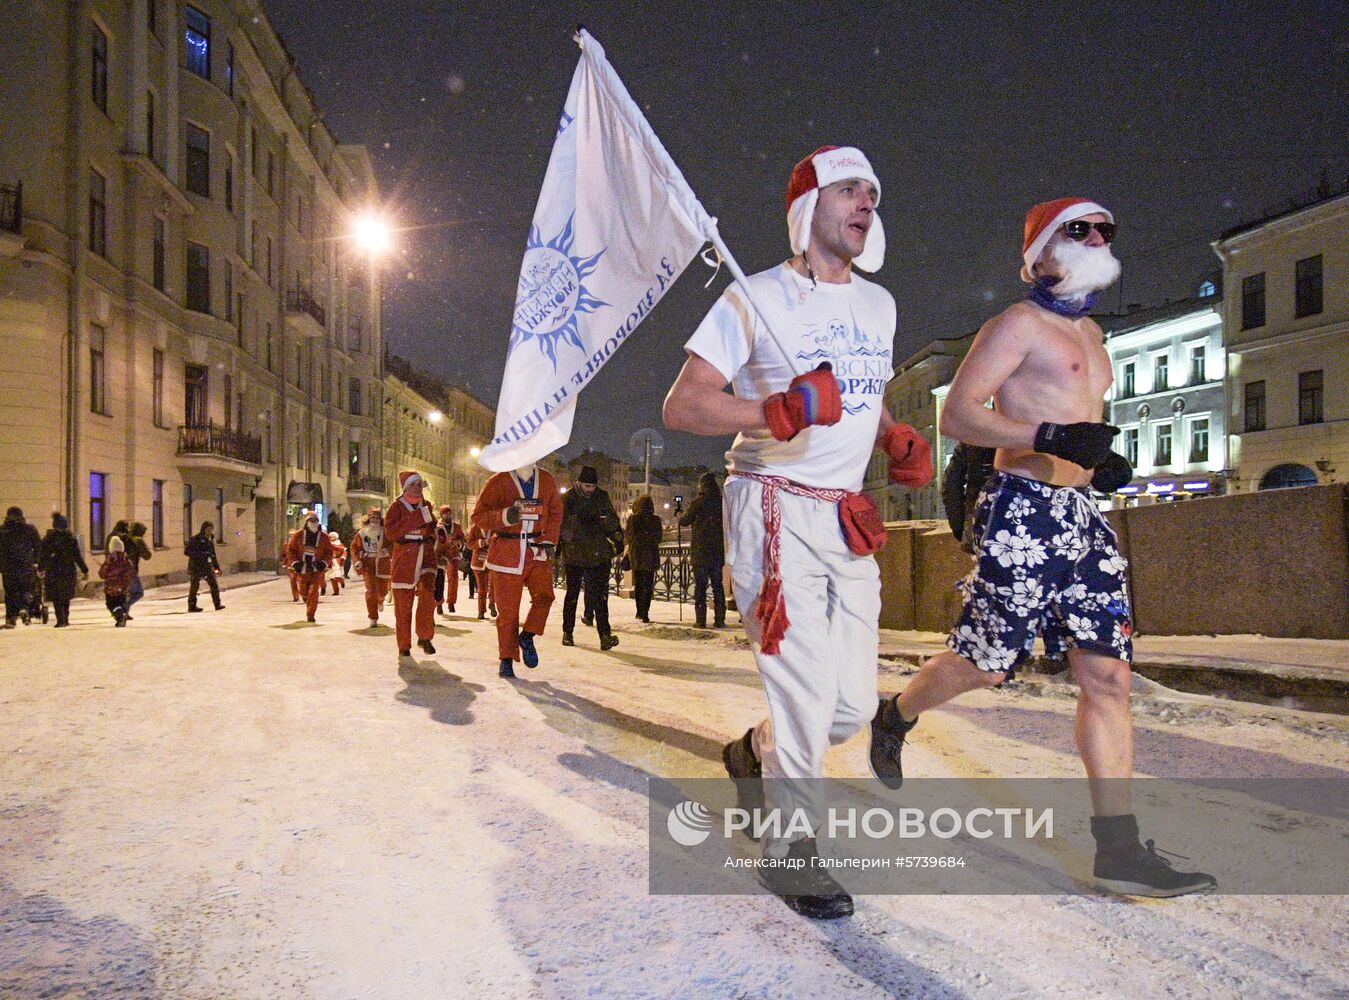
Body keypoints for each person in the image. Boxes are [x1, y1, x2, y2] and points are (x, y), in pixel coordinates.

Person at [869, 196, 1213, 898]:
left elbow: (1081, 417)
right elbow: (959, 414)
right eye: (1078, 229)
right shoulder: (1014, 325)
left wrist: (1097, 460)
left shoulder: (1092, 334)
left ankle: (1116, 845)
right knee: (987, 665)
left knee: (1109, 677)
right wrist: (1045, 439)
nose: (1095, 238)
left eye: (1103, 231)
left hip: (1080, 514)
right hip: (1021, 512)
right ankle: (894, 714)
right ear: (1040, 250)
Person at [663, 146, 932, 920]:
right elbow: (683, 406)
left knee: (848, 706)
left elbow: (862, 392)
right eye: (848, 189)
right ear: (807, 205)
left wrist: (892, 436)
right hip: (771, 506)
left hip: (845, 515)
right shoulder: (753, 299)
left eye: (872, 194)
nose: (865, 204)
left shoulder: (879, 307)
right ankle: (792, 851)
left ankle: (754, 753)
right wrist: (769, 412)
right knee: (805, 690)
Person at [472, 462, 562, 678]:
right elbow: (478, 516)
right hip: (507, 551)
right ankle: (506, 659)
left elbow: (557, 511)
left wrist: (550, 539)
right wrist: (505, 516)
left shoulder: (547, 479)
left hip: (536, 550)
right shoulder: (499, 480)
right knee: (508, 612)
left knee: (545, 597)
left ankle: (528, 635)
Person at [559, 466, 623, 650]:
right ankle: (568, 633)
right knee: (572, 594)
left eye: (592, 486)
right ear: (579, 483)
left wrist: (618, 539)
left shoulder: (601, 497)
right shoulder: (568, 498)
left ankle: (605, 636)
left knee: (600, 596)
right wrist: (559, 544)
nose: (589, 489)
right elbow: (560, 523)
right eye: (586, 486)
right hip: (574, 553)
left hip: (598, 552)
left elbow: (611, 520)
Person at [385, 470, 439, 659]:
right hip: (405, 558)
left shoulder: (427, 505)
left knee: (427, 596)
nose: (417, 489)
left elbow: (431, 527)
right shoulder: (395, 507)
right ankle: (404, 644)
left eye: (419, 485)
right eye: (413, 485)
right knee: (403, 605)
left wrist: (434, 533)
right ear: (405, 487)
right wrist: (415, 518)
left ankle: (425, 636)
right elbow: (391, 534)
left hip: (426, 555)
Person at [679, 472, 727, 628]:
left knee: (700, 586)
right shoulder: (722, 503)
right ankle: (720, 619)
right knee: (717, 586)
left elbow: (685, 521)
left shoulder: (697, 502)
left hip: (700, 551)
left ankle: (700, 620)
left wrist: (680, 515)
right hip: (717, 551)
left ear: (702, 486)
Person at [38, 512, 88, 627]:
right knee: (66, 596)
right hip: (68, 571)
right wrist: (84, 570)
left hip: (53, 571)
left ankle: (60, 619)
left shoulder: (48, 538)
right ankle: (65, 618)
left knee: (57, 597)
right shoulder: (70, 538)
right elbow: (77, 556)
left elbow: (43, 555)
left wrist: (41, 568)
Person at [284, 510, 333, 624]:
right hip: (303, 568)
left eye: (315, 520)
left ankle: (311, 614)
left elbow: (329, 552)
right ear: (306, 522)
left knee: (314, 591)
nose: (313, 522)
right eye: (311, 520)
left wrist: (324, 563)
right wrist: (295, 563)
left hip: (316, 568)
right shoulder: (299, 535)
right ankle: (306, 598)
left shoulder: (324, 537)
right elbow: (291, 550)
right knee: (303, 590)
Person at [351, 507, 392, 628]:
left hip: (383, 564)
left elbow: (394, 545)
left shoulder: (386, 532)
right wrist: (357, 561)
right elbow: (354, 548)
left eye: (377, 518)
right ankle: (373, 617)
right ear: (368, 519)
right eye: (372, 518)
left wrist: (387, 551)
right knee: (371, 591)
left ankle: (380, 600)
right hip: (368, 565)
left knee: (383, 591)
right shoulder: (362, 533)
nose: (375, 520)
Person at [0, 507, 41, 628]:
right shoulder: (29, 529)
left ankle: (11, 617)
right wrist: (36, 561)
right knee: (26, 589)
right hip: (25, 565)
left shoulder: (2, 530)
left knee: (10, 591)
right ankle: (25, 609)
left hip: (7, 566)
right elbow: (38, 546)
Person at [624, 495, 663, 623]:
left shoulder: (633, 519)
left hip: (637, 555)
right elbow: (659, 538)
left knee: (639, 584)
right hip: (651, 555)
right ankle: (645, 611)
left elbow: (628, 537)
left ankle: (639, 611)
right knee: (648, 585)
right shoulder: (656, 520)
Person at [433, 505, 466, 616]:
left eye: (449, 514)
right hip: (440, 555)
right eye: (446, 514)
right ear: (441, 515)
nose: (448, 516)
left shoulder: (456, 526)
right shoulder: (438, 526)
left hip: (452, 555)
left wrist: (459, 543)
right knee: (439, 580)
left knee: (454, 578)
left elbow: (462, 538)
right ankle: (439, 603)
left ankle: (451, 602)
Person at [185, 521, 224, 612]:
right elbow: (187, 552)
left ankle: (217, 604)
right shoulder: (195, 539)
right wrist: (200, 555)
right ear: (204, 529)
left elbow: (213, 555)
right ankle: (192, 606)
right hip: (196, 566)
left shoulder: (210, 541)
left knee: (214, 584)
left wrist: (217, 568)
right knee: (194, 586)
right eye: (208, 529)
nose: (210, 531)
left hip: (207, 566)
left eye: (211, 529)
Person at [99, 535, 134, 626]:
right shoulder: (126, 559)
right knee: (120, 602)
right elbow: (130, 571)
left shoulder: (110, 559)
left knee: (111, 604)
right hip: (123, 586)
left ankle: (120, 615)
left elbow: (102, 573)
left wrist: (103, 573)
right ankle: (121, 616)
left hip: (111, 587)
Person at [465, 522, 496, 620]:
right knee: (482, 588)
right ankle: (481, 611)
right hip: (478, 562)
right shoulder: (475, 528)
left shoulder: (495, 527)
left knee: (493, 585)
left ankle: (492, 604)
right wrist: (481, 542)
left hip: (492, 560)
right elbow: (469, 544)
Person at [125, 521, 152, 616]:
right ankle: (123, 608)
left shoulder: (126, 538)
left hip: (121, 569)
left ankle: (125, 612)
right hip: (132, 570)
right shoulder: (138, 540)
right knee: (138, 592)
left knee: (128, 592)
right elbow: (147, 555)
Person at [327, 531, 346, 596]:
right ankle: (336, 591)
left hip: (338, 561)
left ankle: (341, 581)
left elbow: (344, 551)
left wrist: (343, 557)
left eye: (333, 536)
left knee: (337, 576)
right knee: (332, 578)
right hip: (330, 562)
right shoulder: (327, 544)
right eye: (330, 536)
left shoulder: (339, 544)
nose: (332, 537)